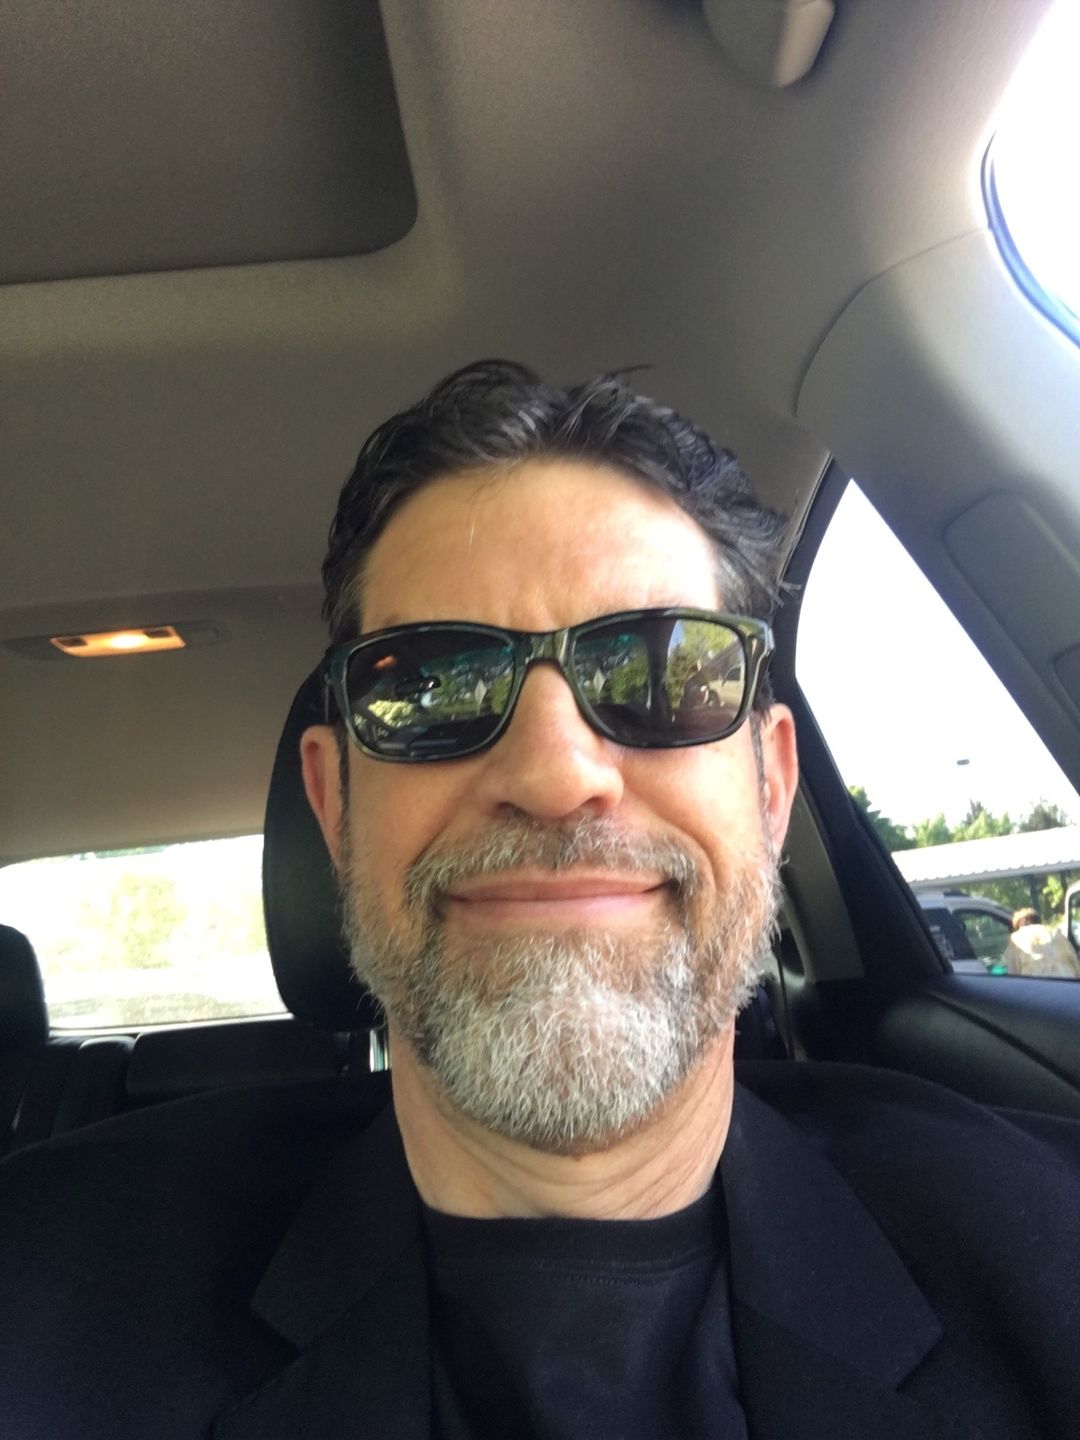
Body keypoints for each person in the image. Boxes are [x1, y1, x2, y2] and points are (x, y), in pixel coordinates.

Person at [2, 361, 1079, 1439]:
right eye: (430, 685)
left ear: (770, 788)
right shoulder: (40, 1297)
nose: (558, 774)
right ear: (334, 808)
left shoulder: (1045, 1258)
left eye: (660, 674)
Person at [1002, 906, 1080, 980]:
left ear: (1021, 923)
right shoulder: (1058, 934)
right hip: (1067, 984)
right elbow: (1076, 968)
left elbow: (1012, 975)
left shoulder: (1017, 937)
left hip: (1037, 985)